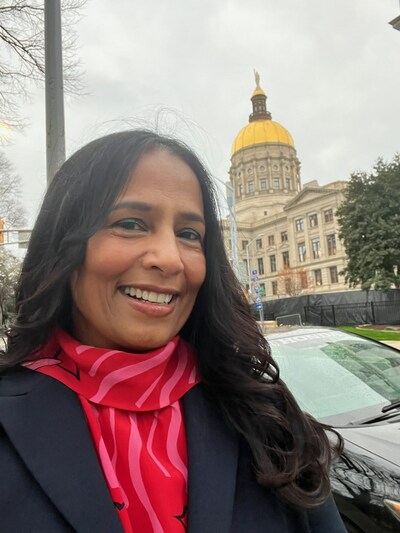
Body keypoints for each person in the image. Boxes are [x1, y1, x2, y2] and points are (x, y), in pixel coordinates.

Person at [0, 130, 346, 533]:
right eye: (130, 223)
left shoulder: (263, 415)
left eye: (188, 234)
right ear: (64, 245)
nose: (170, 260)